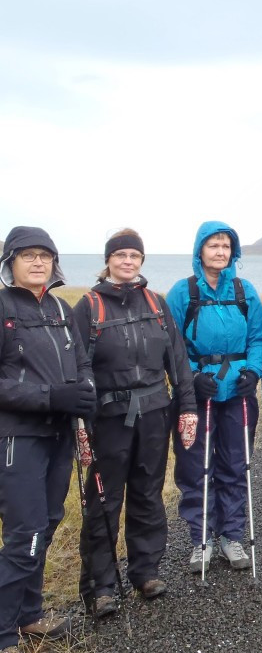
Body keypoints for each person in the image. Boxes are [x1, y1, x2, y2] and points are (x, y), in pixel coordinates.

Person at [73, 229, 197, 615]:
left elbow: (177, 360)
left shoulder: (156, 304)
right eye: (121, 255)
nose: (128, 261)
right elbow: (76, 368)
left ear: (142, 261)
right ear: (108, 259)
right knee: (104, 501)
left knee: (148, 493)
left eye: (135, 256)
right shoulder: (88, 307)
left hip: (155, 416)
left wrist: (188, 406)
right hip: (107, 420)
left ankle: (145, 571)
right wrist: (79, 423)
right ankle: (102, 586)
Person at [0, 226, 95, 653]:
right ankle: (2, 640)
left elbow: (80, 365)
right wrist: (50, 396)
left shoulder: (59, 307)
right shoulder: (1, 307)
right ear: (10, 262)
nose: (38, 262)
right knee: (24, 535)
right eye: (27, 255)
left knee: (49, 522)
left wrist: (83, 394)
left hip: (60, 435)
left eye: (45, 256)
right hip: (19, 437)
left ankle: (30, 614)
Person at [167, 221, 262, 573]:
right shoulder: (183, 293)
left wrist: (253, 371)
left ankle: (231, 535)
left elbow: (258, 337)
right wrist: (193, 376)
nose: (221, 252)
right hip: (198, 396)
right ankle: (201, 538)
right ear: (200, 251)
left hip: (239, 390)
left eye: (226, 246)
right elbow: (173, 345)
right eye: (214, 246)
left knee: (235, 464)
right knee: (196, 466)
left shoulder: (245, 291)